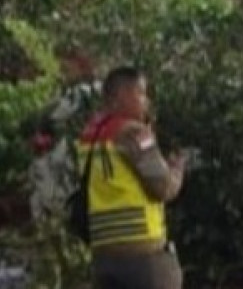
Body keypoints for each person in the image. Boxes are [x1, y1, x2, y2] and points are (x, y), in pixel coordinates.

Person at [77, 66, 186, 289]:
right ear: (122, 95)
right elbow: (163, 187)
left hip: (103, 255)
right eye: (141, 93)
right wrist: (177, 169)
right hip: (143, 255)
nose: (146, 101)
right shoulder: (133, 132)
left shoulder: (88, 136)